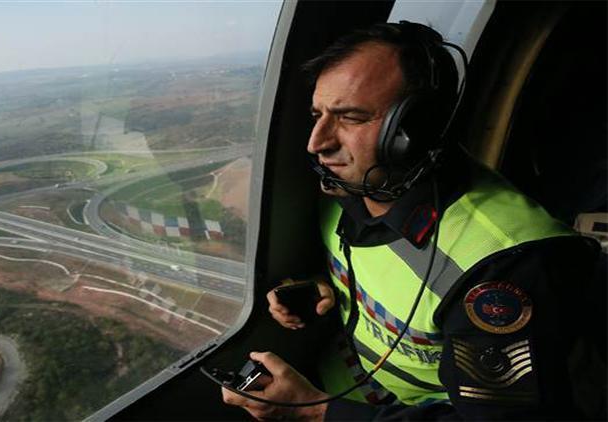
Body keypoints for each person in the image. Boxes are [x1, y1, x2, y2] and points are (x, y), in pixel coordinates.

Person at [221, 21, 602, 420]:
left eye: (350, 117)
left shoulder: (502, 267)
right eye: (317, 114)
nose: (317, 142)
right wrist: (324, 285)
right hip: (366, 387)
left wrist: (313, 413)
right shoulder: (347, 191)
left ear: (411, 131)